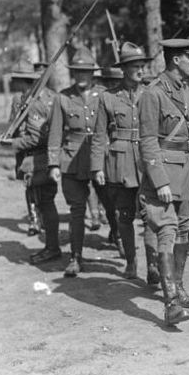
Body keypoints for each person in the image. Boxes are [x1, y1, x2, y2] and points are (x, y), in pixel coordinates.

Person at [137, 36, 189, 326]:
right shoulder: (152, 93)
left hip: (186, 172)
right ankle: (170, 304)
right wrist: (159, 181)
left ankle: (178, 287)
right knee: (167, 232)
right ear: (175, 60)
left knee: (183, 230)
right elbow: (146, 141)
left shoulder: (185, 92)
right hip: (166, 175)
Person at [91, 42, 152, 279]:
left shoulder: (151, 93)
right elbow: (99, 136)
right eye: (136, 66)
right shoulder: (108, 97)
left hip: (148, 163)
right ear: (124, 69)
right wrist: (97, 167)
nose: (141, 70)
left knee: (151, 216)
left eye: (142, 66)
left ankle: (154, 265)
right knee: (124, 216)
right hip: (120, 164)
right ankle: (131, 262)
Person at [48, 47, 106, 277]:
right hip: (71, 161)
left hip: (100, 159)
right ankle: (76, 257)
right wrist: (53, 164)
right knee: (77, 210)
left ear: (93, 73)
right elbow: (54, 133)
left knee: (112, 205)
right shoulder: (62, 97)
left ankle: (123, 244)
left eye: (86, 72)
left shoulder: (103, 95)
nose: (81, 76)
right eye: (77, 72)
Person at [2, 61, 61, 263]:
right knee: (43, 202)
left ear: (21, 80)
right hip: (35, 159)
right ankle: (51, 246)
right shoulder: (29, 97)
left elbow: (38, 137)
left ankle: (52, 248)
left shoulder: (36, 101)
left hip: (39, 159)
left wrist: (13, 143)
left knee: (46, 203)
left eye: (16, 79)